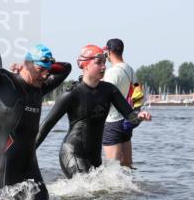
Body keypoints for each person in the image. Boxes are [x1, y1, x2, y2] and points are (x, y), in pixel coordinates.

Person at [0, 3, 70, 200]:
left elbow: (66, 68)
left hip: (30, 163)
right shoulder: (6, 81)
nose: (46, 75)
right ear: (28, 64)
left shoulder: (40, 87)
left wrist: (47, 63)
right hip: (7, 164)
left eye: (48, 70)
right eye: (41, 69)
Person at [36, 45, 150, 178]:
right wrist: (28, 153)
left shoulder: (109, 90)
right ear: (85, 66)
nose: (103, 67)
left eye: (104, 62)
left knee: (101, 193)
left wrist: (139, 116)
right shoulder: (72, 94)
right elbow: (46, 126)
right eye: (98, 63)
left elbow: (130, 116)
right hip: (72, 153)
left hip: (95, 157)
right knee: (87, 191)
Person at [101, 38, 142, 167]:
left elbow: (104, 96)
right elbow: (138, 91)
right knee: (127, 166)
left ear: (108, 52)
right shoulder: (129, 69)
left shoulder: (111, 73)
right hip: (126, 122)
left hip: (112, 121)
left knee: (113, 169)